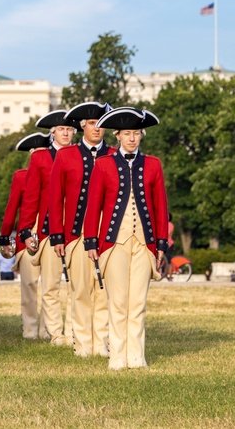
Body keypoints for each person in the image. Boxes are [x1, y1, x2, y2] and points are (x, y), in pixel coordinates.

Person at [83, 107, 168, 370]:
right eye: (127, 134)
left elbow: (160, 206)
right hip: (113, 243)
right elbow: (93, 205)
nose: (132, 138)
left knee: (138, 302)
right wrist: (91, 242)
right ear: (117, 136)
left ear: (142, 136)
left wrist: (162, 243)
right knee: (117, 301)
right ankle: (117, 357)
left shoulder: (153, 164)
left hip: (145, 243)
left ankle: (136, 356)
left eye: (136, 133)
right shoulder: (104, 164)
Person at [48, 101, 115, 358]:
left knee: (105, 291)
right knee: (80, 290)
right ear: (82, 126)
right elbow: (56, 198)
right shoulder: (66, 156)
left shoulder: (113, 155)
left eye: (100, 124)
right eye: (91, 124)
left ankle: (102, 343)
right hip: (75, 234)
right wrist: (57, 236)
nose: (96, 128)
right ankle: (83, 345)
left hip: (107, 234)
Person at [17, 110, 75, 346]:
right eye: (61, 129)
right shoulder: (40, 159)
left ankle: (72, 330)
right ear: (52, 133)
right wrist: (25, 230)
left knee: (75, 285)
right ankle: (55, 333)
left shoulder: (80, 156)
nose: (66, 133)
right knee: (51, 285)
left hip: (75, 228)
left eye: (70, 129)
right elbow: (30, 197)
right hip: (49, 229)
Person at [0, 131, 51, 338]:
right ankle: (29, 328)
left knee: (49, 285)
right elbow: (12, 209)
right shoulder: (21, 176)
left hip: (49, 234)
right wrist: (5, 237)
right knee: (29, 285)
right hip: (26, 238)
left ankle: (48, 328)